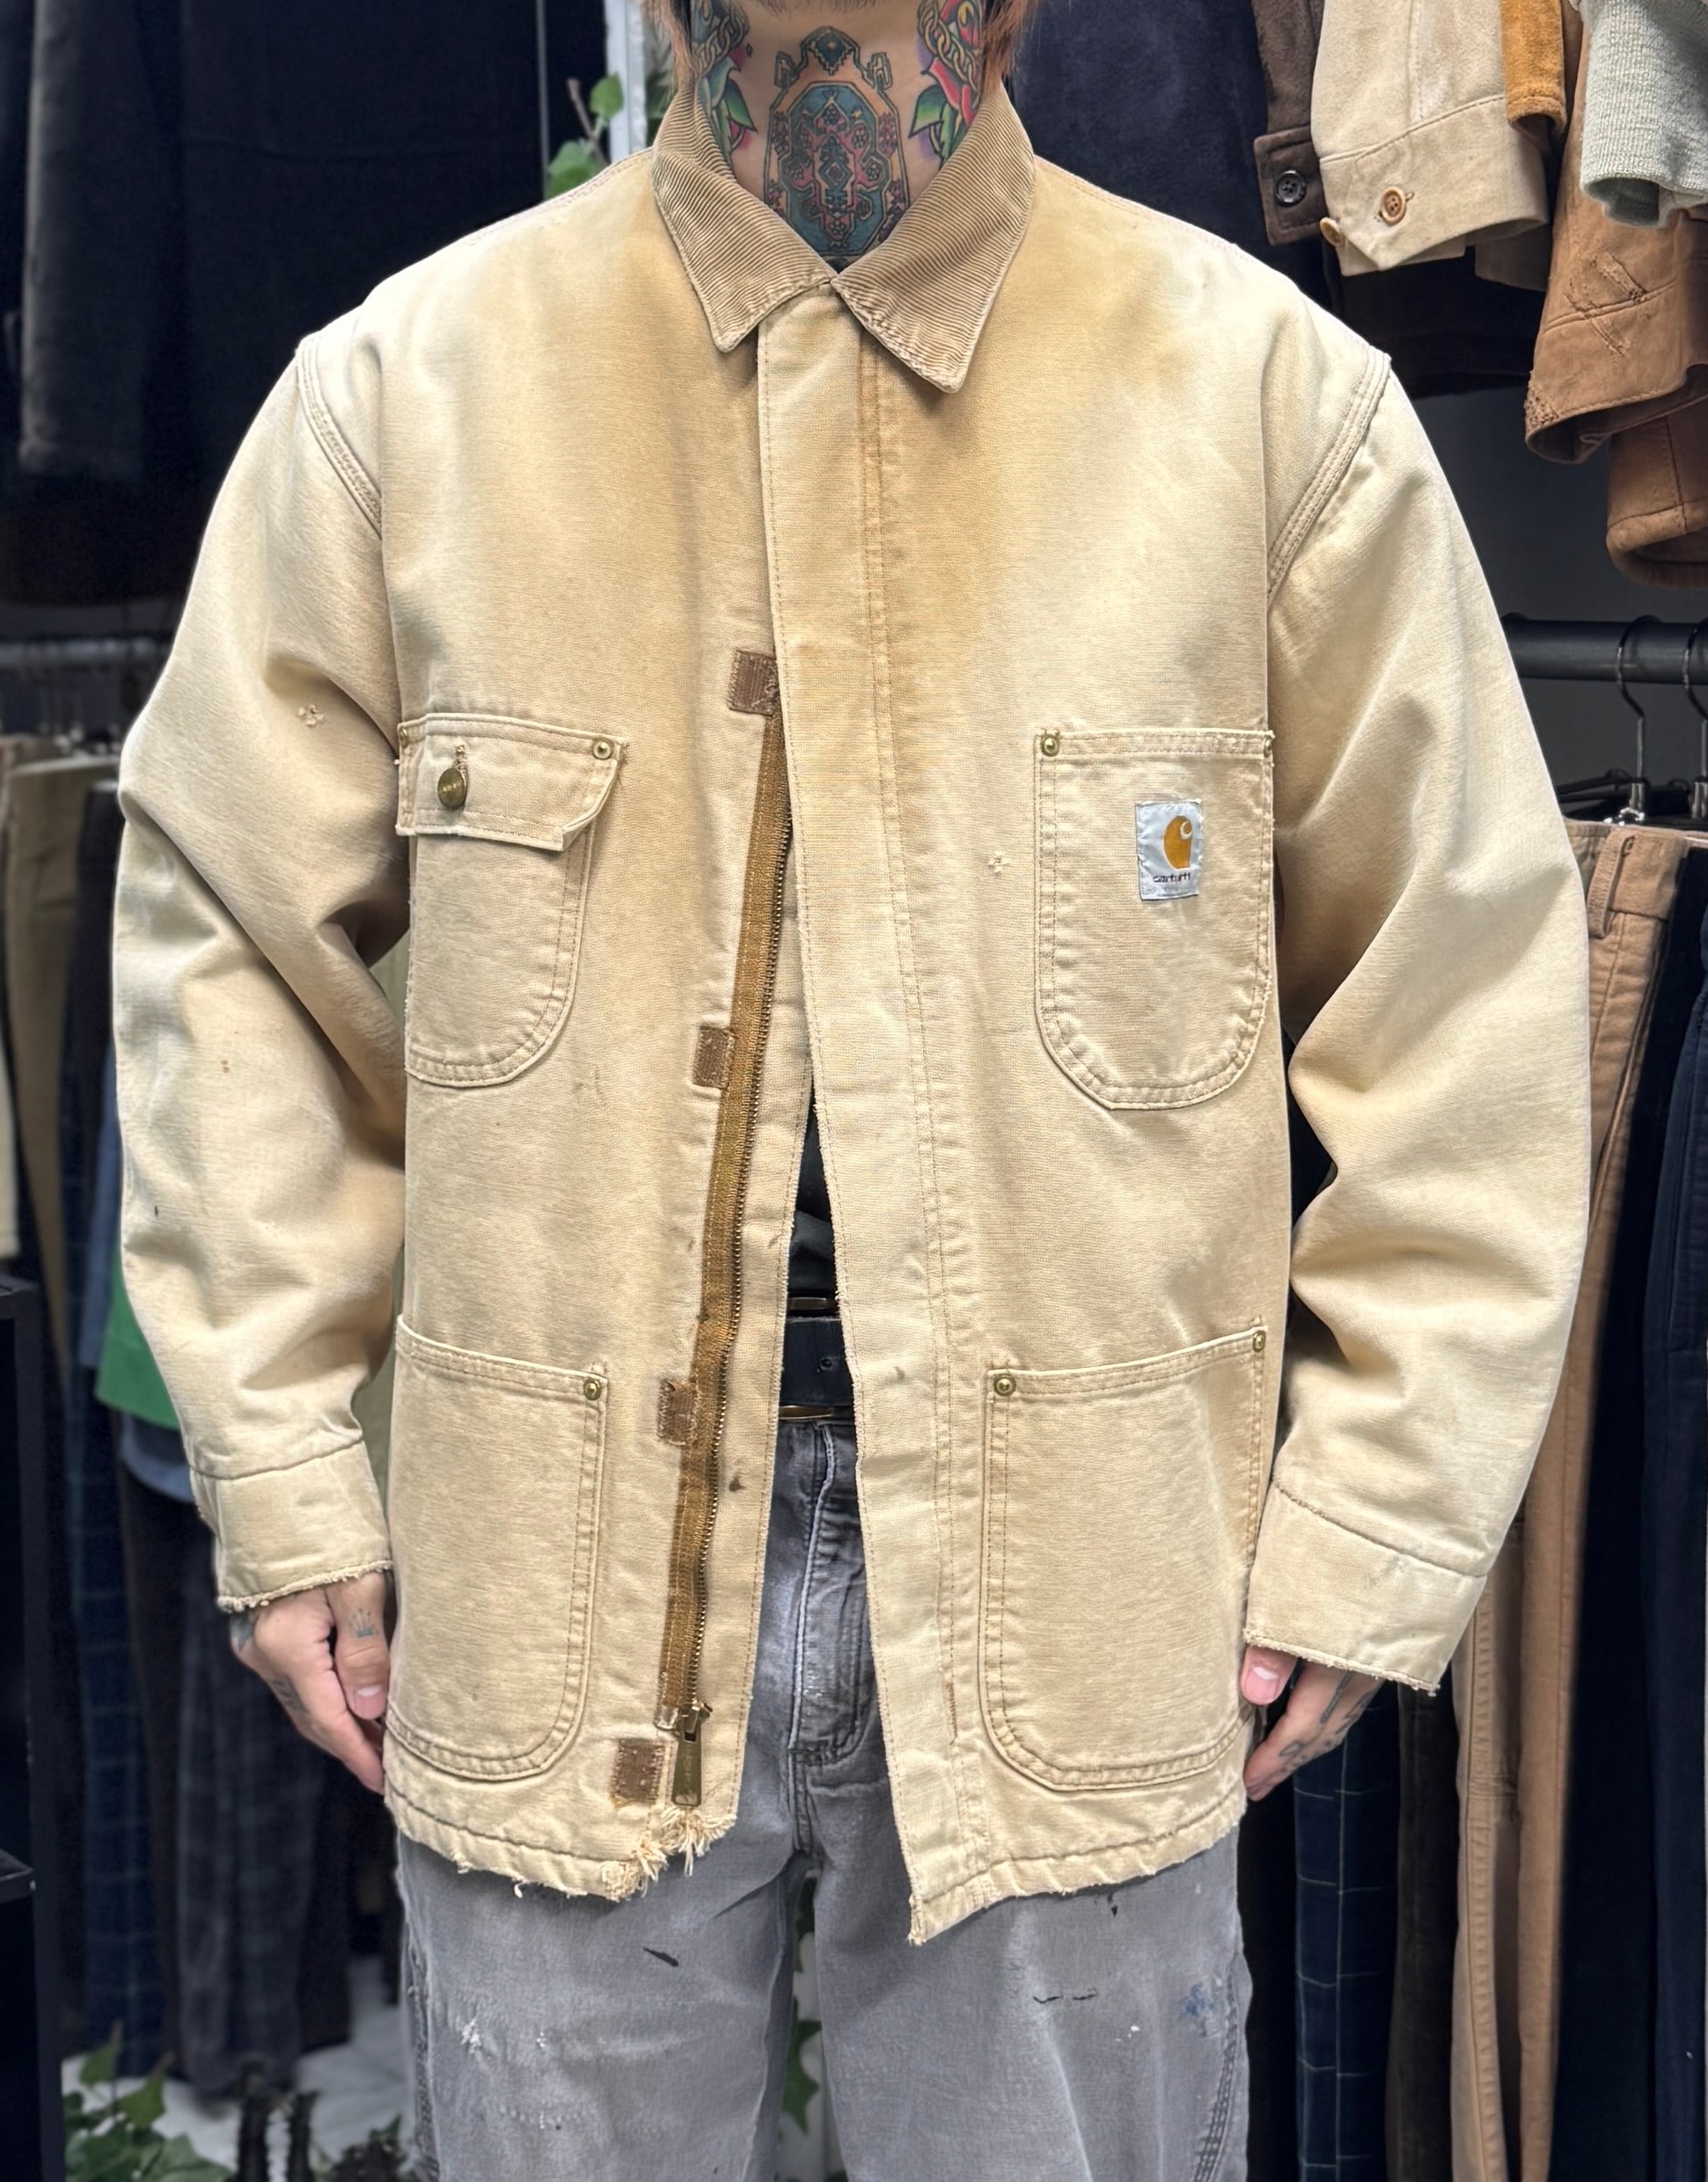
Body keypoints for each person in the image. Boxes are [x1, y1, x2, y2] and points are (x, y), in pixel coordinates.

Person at [112, 0, 1592, 2173]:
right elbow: (228, 940)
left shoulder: (1261, 405)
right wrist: (284, 1467)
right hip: (543, 1573)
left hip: (1093, 1579)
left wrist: (1367, 1516)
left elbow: (1460, 993)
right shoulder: (404, 401)